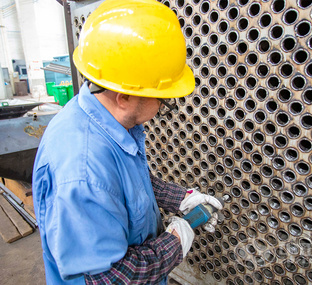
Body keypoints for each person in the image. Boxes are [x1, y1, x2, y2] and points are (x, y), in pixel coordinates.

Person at [32, 0, 223, 284]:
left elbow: (123, 184)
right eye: (161, 97)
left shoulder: (104, 120)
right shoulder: (81, 173)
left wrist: (180, 199)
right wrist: (173, 243)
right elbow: (109, 278)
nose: (163, 105)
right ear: (124, 97)